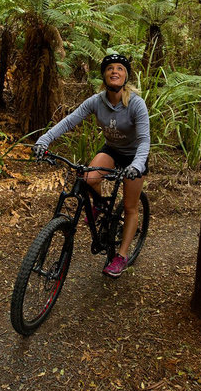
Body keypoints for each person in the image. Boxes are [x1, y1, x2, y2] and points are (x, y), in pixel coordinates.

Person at [33, 52, 150, 278]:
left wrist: (136, 165)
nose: (114, 71)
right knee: (88, 178)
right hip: (112, 150)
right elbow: (69, 121)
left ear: (126, 76)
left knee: (129, 206)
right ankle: (99, 206)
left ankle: (121, 256)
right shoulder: (97, 101)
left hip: (135, 156)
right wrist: (43, 140)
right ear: (104, 76)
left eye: (120, 68)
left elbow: (145, 140)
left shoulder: (136, 104)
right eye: (110, 68)